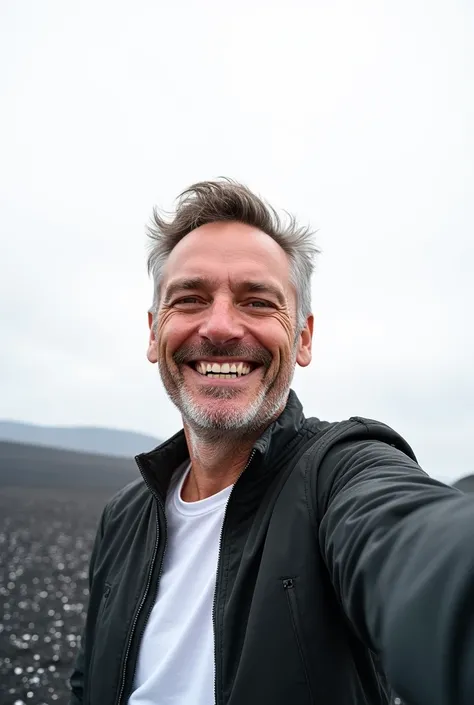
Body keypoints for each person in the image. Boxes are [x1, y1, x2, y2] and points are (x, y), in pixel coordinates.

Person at [69, 179, 474, 705]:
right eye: (189, 299)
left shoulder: (340, 473)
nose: (218, 327)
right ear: (153, 333)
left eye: (257, 302)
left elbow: (415, 547)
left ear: (302, 338)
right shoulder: (124, 516)